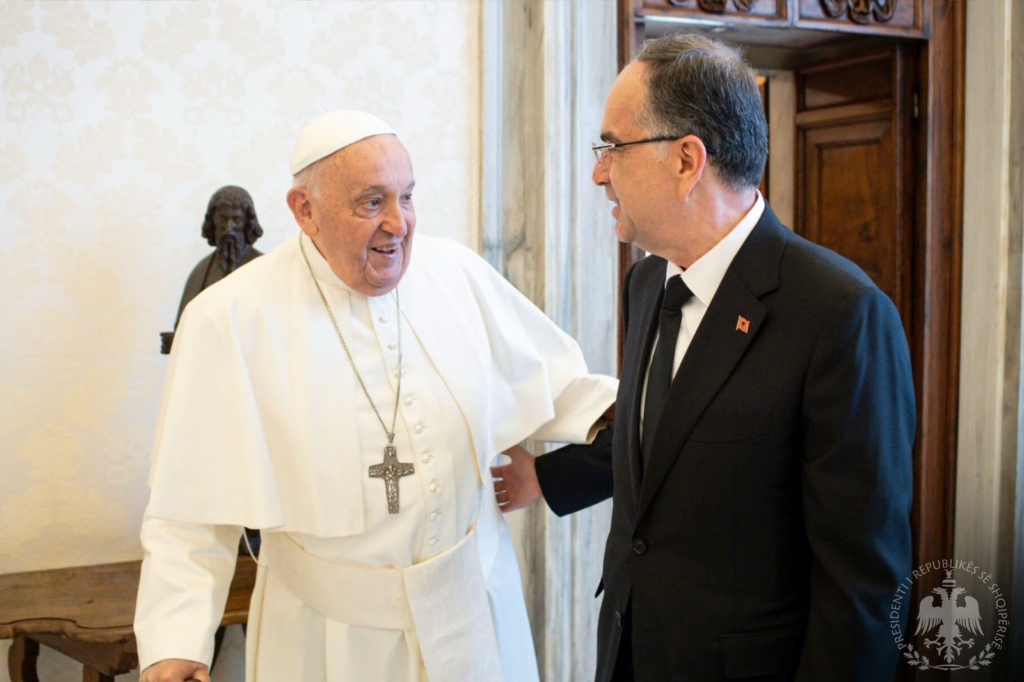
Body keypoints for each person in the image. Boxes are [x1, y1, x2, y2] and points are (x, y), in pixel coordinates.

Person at [134, 110, 617, 682]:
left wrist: (647, 405)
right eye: (371, 202)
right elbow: (187, 507)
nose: (399, 223)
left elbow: (557, 386)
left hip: (477, 610)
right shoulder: (228, 317)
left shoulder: (456, 273)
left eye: (407, 197)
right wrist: (176, 643)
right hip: (327, 636)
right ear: (304, 210)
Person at [492, 34, 914, 681]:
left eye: (613, 147)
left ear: (687, 160)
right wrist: (547, 478)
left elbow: (863, 586)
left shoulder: (841, 314)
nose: (599, 173)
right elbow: (671, 435)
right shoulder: (647, 281)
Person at [160, 185, 263, 355]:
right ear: (213, 222)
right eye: (222, 219)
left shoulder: (263, 268)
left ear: (247, 223)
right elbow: (184, 327)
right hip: (208, 363)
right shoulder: (201, 272)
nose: (228, 228)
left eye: (236, 219)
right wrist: (176, 340)